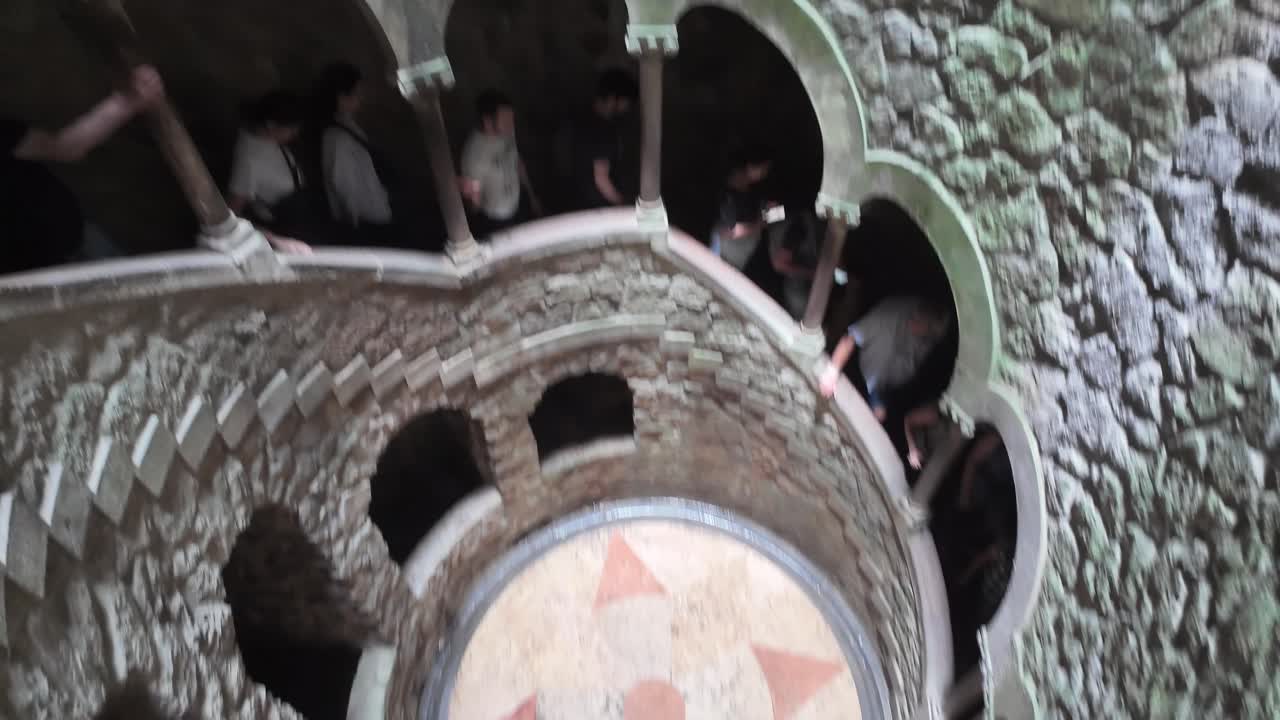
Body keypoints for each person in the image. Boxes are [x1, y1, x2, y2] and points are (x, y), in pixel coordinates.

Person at [1, 65, 164, 274]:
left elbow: (66, 148)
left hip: (71, 232)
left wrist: (126, 102)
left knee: (145, 290)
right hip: (33, 281)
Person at [818, 295, 951, 421]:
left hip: (888, 387)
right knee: (875, 410)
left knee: (881, 414)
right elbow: (850, 339)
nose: (925, 337)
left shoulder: (930, 337)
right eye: (919, 323)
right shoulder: (887, 316)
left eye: (930, 335)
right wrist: (831, 372)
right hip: (862, 371)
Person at [316, 62, 400, 247]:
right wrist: (353, 221)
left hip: (373, 208)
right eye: (357, 93)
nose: (361, 98)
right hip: (365, 217)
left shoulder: (345, 124)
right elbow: (342, 182)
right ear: (341, 97)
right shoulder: (336, 138)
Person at [227, 91, 314, 253]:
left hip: (303, 219)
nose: (295, 134)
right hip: (284, 233)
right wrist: (274, 240)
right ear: (271, 125)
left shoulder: (273, 142)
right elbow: (233, 215)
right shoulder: (249, 159)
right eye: (291, 129)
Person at [459, 90, 541, 239]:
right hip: (497, 218)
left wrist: (531, 195)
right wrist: (470, 197)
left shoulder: (507, 131)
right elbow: (474, 203)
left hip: (518, 203)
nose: (512, 124)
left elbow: (517, 162)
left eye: (511, 118)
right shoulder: (474, 156)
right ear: (487, 121)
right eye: (505, 120)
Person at [571, 69, 637, 210]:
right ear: (613, 98)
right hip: (599, 207)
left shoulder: (583, 119)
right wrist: (622, 204)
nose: (628, 107)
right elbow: (601, 179)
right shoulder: (603, 131)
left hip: (580, 201)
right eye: (627, 101)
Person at [710, 144, 774, 272]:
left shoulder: (753, 187)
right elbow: (730, 231)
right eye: (764, 168)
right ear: (751, 165)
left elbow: (770, 211)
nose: (765, 173)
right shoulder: (729, 194)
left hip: (743, 248)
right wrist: (761, 223)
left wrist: (772, 213)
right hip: (728, 251)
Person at [767, 207, 821, 319]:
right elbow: (779, 264)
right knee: (801, 304)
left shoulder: (785, 212)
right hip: (795, 280)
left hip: (796, 269)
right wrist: (813, 274)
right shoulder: (798, 225)